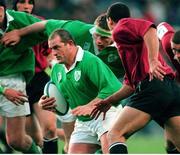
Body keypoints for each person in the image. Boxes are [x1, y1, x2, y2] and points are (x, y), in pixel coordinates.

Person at [71, 2, 180, 154]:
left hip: (152, 87)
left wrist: (153, 60)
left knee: (114, 135)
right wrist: (109, 101)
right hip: (171, 89)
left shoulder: (121, 27)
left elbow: (149, 29)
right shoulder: (129, 47)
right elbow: (130, 86)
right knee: (174, 145)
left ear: (109, 21)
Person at [38, 29, 123, 153]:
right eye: (52, 49)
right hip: (84, 121)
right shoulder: (57, 69)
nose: (54, 53)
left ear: (70, 44)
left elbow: (113, 88)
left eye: (57, 47)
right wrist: (45, 103)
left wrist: (90, 106)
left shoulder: (89, 61)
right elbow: (58, 96)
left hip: (106, 114)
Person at [12, 0, 61, 153]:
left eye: (30, 2)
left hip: (39, 80)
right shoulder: (7, 26)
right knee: (35, 139)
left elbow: (49, 52)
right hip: (18, 83)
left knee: (51, 130)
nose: (27, 6)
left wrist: (53, 62)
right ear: (14, 5)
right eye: (22, 2)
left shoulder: (40, 24)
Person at [0, 0, 42, 153]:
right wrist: (3, 91)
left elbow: (47, 27)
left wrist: (20, 33)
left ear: (3, 9)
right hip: (5, 87)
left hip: (14, 79)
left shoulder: (19, 19)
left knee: (17, 141)